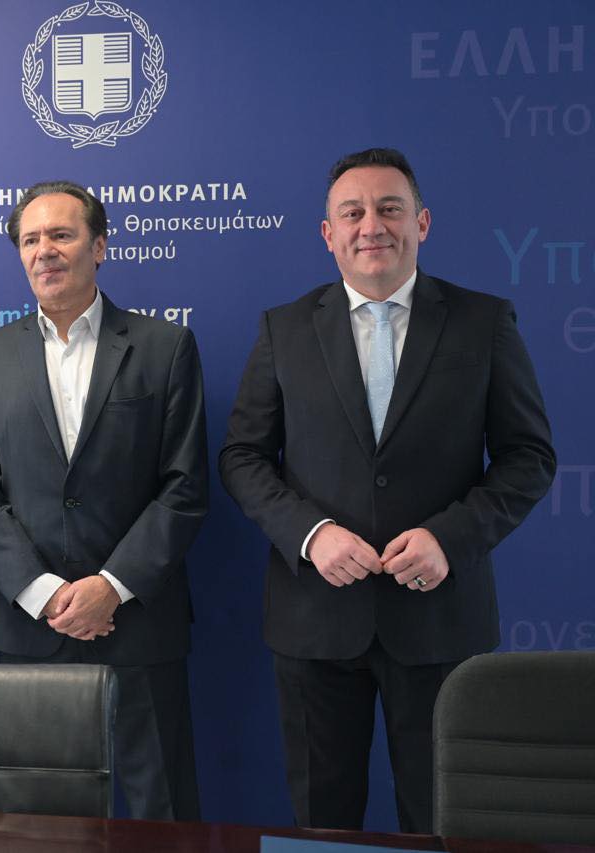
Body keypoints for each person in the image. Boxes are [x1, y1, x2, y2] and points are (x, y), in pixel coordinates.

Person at [218, 148, 555, 833]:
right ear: (329, 233)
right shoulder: (283, 329)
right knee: (322, 826)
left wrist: (448, 538)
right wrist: (310, 535)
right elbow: (243, 457)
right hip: (315, 619)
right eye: (353, 213)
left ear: (421, 223)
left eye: (389, 208)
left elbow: (528, 458)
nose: (371, 225)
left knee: (443, 822)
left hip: (439, 620)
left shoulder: (483, 321)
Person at [0, 180, 208, 821]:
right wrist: (42, 591)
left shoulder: (164, 347)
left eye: (62, 235)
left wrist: (111, 587)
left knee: (160, 812)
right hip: (29, 626)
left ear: (99, 246)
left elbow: (184, 486)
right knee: (33, 817)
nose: (44, 250)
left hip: (139, 622)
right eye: (30, 239)